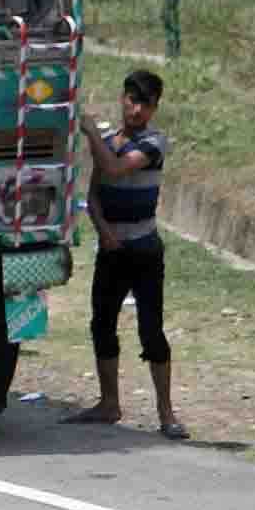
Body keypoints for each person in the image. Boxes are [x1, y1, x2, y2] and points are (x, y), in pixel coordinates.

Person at [66, 67, 184, 439]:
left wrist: (89, 134)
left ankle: (166, 414)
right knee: (102, 323)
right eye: (133, 101)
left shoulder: (154, 142)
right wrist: (102, 231)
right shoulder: (106, 139)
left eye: (145, 105)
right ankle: (109, 403)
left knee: (151, 330)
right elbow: (96, 193)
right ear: (123, 98)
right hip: (112, 248)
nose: (137, 111)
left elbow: (115, 168)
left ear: (155, 108)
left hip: (144, 247)